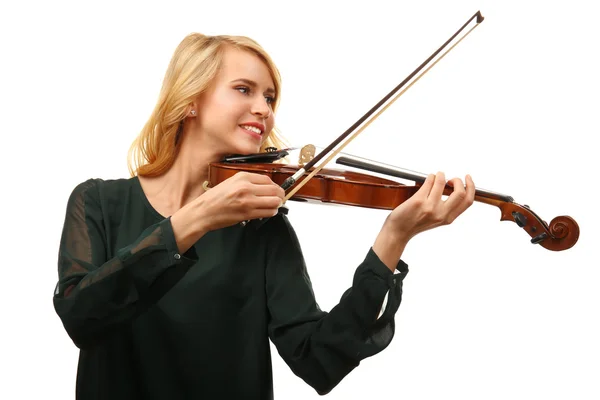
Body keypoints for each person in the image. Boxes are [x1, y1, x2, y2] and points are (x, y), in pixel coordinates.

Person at [53, 32, 475, 400]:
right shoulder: (97, 203)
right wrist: (194, 220)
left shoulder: (260, 225)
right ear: (190, 101)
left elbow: (319, 361)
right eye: (244, 89)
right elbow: (81, 317)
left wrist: (392, 238)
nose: (264, 109)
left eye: (269, 97)